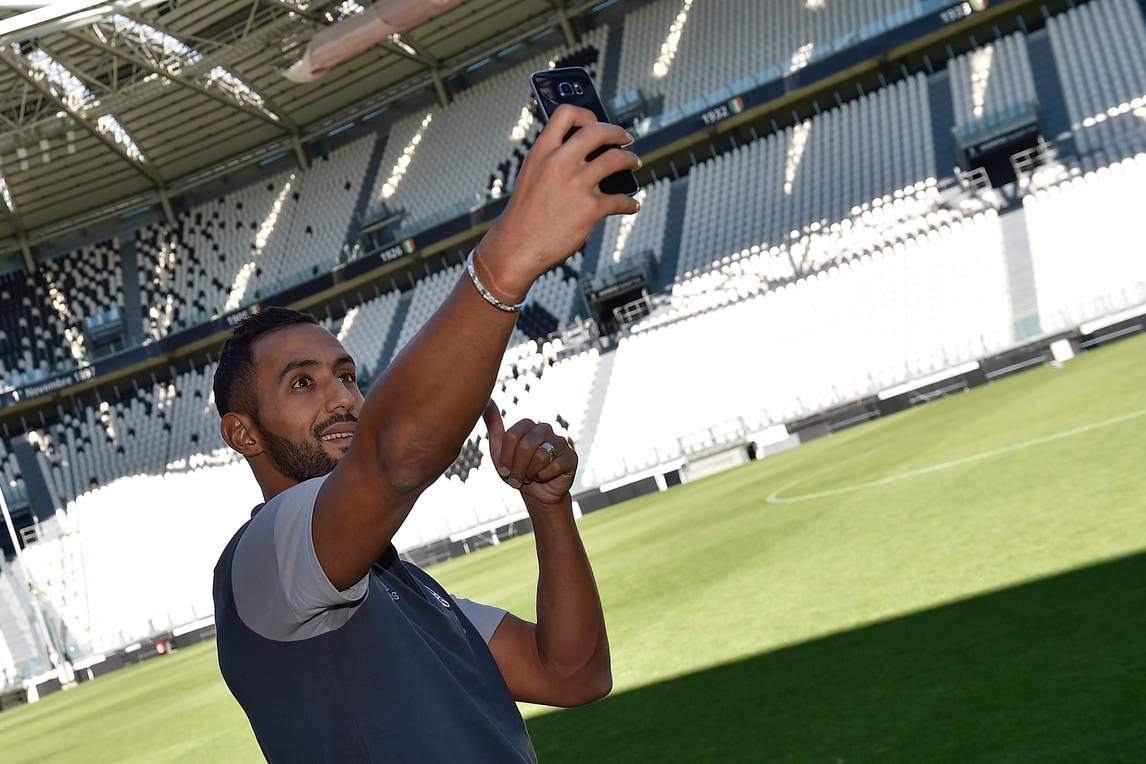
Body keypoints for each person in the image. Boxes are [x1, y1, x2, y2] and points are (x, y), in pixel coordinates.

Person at [211, 104, 641, 762]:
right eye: (302, 383)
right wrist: (509, 258)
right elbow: (392, 461)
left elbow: (573, 675)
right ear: (243, 434)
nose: (342, 397)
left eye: (347, 376)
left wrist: (549, 508)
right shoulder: (263, 562)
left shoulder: (403, 584)